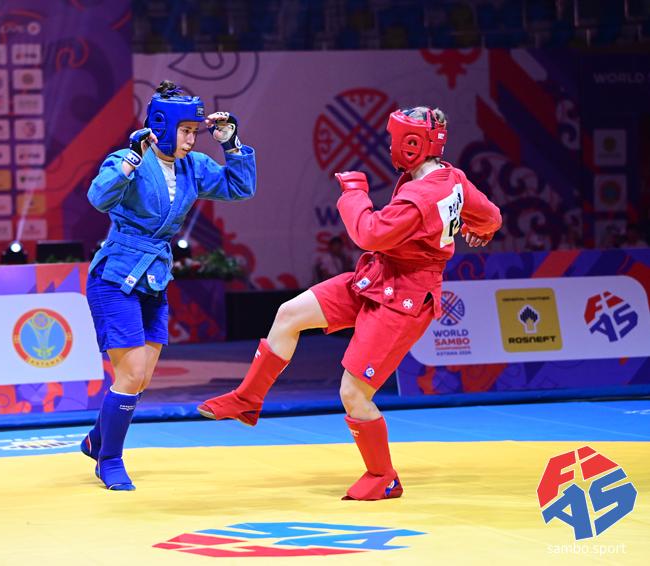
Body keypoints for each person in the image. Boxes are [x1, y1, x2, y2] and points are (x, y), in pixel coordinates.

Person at [198, 106, 502, 500]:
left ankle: (383, 476)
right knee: (289, 314)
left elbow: (369, 233)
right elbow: (491, 215)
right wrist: (480, 229)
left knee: (354, 393)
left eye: (394, 138)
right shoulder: (450, 178)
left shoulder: (422, 197)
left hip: (405, 299)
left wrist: (354, 193)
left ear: (411, 144)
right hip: (376, 278)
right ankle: (247, 400)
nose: (390, 145)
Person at [82, 80, 257, 490]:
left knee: (141, 379)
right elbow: (98, 197)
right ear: (161, 125)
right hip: (116, 277)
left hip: (155, 277)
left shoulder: (193, 166)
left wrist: (232, 145)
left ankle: (96, 440)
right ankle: (109, 460)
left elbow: (240, 188)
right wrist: (130, 160)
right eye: (186, 131)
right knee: (130, 375)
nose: (192, 139)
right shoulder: (131, 157)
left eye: (196, 132)